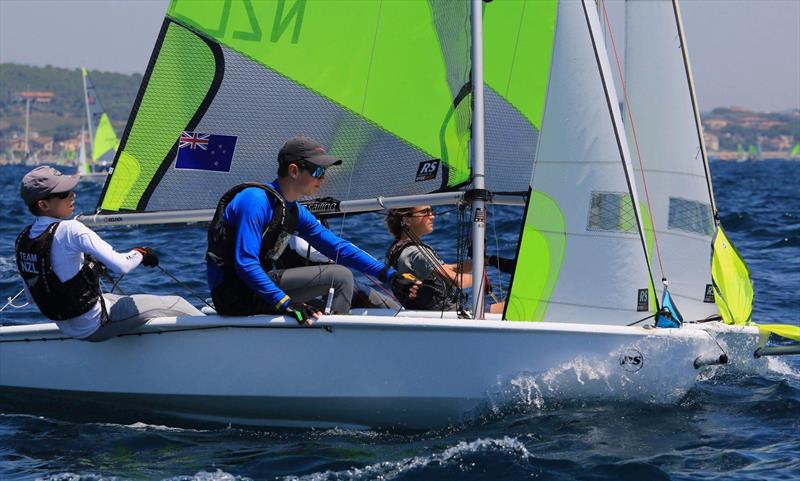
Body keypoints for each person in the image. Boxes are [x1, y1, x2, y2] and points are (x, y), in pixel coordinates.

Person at [206, 136, 419, 325]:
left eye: (325, 172)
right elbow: (245, 263)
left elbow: (339, 248)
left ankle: (328, 335)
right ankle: (330, 339)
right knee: (341, 276)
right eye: (318, 171)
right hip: (234, 295)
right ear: (294, 170)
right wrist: (286, 304)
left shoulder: (292, 210)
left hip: (256, 290)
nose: (323, 179)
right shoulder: (255, 200)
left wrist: (390, 276)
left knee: (337, 286)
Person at [15, 166, 203, 342]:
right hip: (96, 326)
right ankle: (222, 334)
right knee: (177, 302)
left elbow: (31, 298)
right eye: (64, 194)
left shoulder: (24, 238)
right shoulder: (71, 228)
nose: (73, 195)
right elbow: (122, 266)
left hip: (68, 327)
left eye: (72, 190)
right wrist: (140, 253)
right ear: (43, 204)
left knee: (120, 299)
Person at [385, 205, 508, 313]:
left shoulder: (396, 249)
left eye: (431, 211)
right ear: (407, 220)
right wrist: (481, 279)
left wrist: (484, 262)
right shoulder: (416, 253)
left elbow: (445, 269)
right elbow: (457, 281)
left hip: (429, 313)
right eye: (425, 212)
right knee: (515, 305)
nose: (432, 216)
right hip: (448, 316)